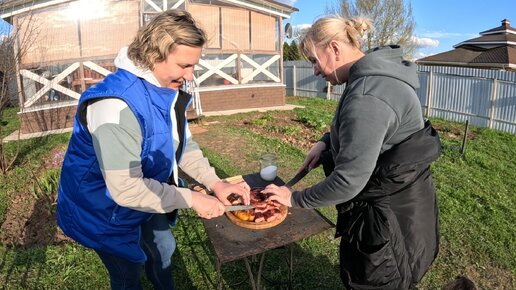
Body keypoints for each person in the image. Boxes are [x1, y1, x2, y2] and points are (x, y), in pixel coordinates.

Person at [56, 10, 250, 290]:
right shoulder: (115, 105)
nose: (190, 76)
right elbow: (125, 188)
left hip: (147, 192)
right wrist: (193, 199)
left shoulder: (164, 89)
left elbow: (182, 145)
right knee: (128, 272)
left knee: (163, 249)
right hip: (103, 209)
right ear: (153, 54)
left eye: (194, 65)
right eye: (184, 65)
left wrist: (214, 182)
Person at [263, 16, 442, 290]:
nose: (314, 70)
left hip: (388, 218)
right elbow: (369, 135)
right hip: (400, 203)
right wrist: (325, 143)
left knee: (380, 282)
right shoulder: (373, 78)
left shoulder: (367, 95)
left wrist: (294, 198)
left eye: (314, 59)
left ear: (334, 48)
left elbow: (348, 181)